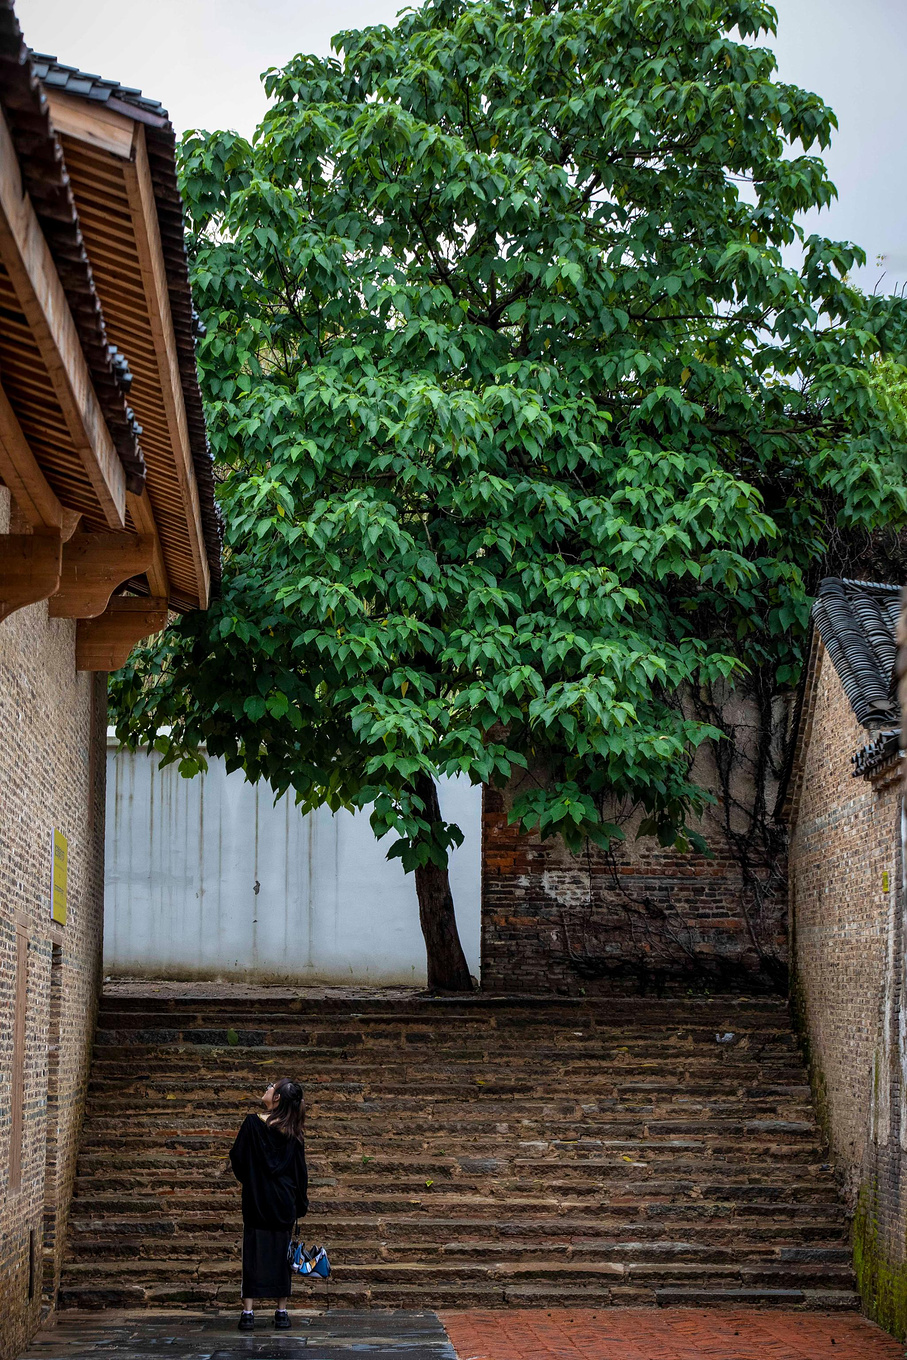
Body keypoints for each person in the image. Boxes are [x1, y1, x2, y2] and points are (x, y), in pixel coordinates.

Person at [229, 1077, 308, 1331]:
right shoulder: (294, 1133)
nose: (266, 1088)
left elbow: (237, 1158)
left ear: (276, 1099)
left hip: (257, 1200)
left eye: (270, 1087)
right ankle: (281, 1311)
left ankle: (248, 1313)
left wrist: (252, 1180)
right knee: (281, 1256)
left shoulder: (252, 1124)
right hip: (283, 1202)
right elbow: (300, 1173)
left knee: (252, 1253)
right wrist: (300, 1202)